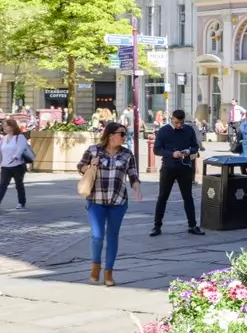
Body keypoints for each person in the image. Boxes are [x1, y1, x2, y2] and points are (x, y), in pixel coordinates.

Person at [77, 122, 142, 286]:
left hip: (118, 201)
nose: (124, 137)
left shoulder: (127, 154)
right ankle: (96, 266)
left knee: (112, 236)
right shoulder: (94, 150)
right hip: (95, 200)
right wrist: (90, 166)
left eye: (124, 134)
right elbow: (80, 166)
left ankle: (108, 272)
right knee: (97, 236)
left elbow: (133, 175)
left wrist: (137, 189)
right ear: (111, 135)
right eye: (121, 133)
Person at [150, 109, 204, 237]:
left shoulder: (189, 130)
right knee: (163, 197)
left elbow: (195, 146)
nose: (179, 125)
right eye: (176, 122)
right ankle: (157, 226)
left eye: (181, 122)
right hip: (168, 167)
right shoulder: (164, 131)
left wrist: (188, 151)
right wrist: (171, 154)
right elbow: (157, 149)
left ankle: (192, 225)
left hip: (185, 167)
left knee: (188, 197)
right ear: (172, 119)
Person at [0, 118, 35, 210]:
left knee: (19, 184)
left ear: (11, 127)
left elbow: (20, 149)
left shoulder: (20, 137)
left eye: (5, 125)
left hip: (18, 166)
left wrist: (16, 156)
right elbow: (1, 153)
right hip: (5, 167)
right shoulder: (4, 139)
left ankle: (21, 203)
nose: (3, 127)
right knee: (2, 185)